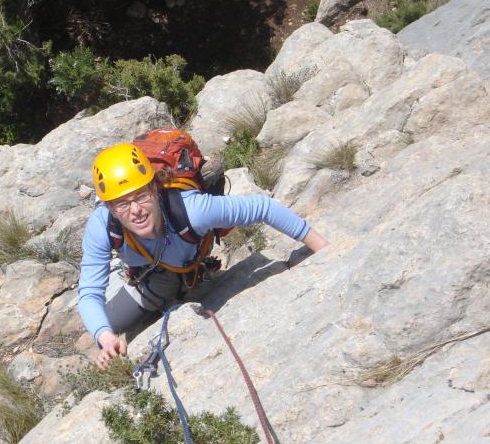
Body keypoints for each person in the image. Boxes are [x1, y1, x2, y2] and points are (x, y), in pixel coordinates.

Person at [78, 142, 328, 370]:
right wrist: (105, 336)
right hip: (151, 275)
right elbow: (89, 292)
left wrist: (323, 249)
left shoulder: (191, 210)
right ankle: (129, 281)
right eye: (122, 204)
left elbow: (263, 207)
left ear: (154, 188)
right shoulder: (102, 226)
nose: (135, 211)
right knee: (106, 325)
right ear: (109, 207)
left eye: (141, 196)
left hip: (181, 264)